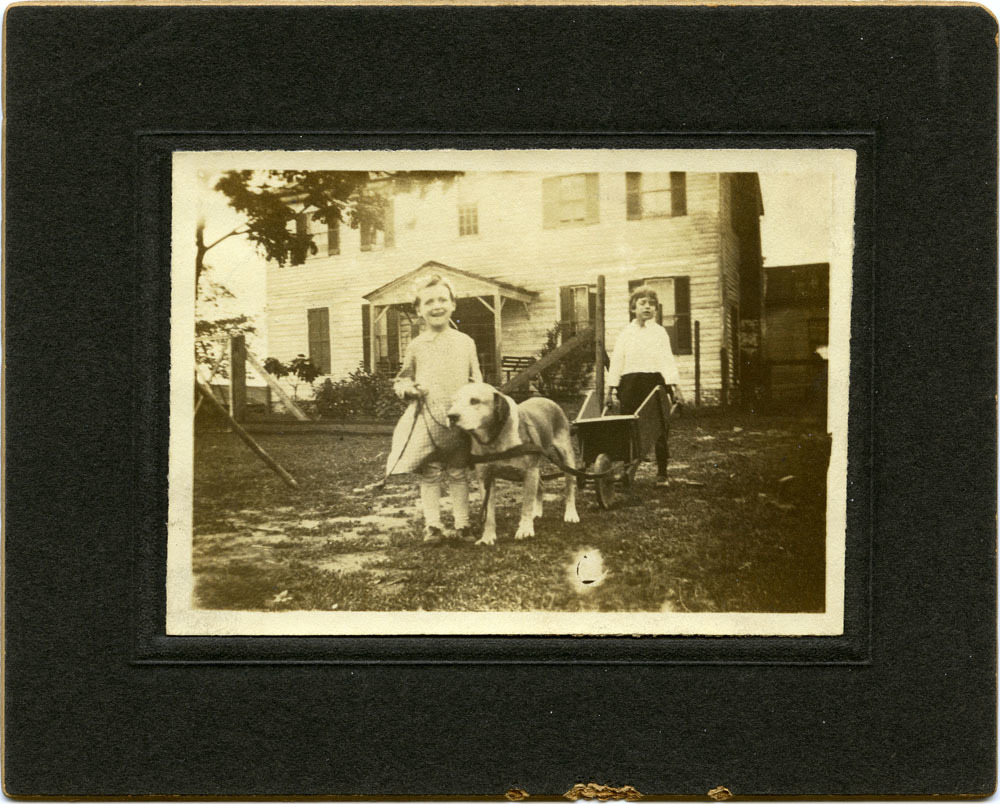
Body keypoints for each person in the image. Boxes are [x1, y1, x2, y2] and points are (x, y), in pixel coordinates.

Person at [385, 275, 483, 543]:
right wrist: (409, 389)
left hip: (458, 421)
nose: (436, 306)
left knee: (458, 471)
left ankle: (463, 524)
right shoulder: (416, 345)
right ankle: (433, 526)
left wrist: (476, 407)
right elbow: (402, 378)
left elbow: (477, 381)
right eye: (429, 301)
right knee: (429, 473)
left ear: (453, 305)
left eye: (443, 299)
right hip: (427, 420)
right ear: (419, 309)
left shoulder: (465, 342)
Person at [607, 284, 685, 487]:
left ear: (656, 310)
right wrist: (610, 390)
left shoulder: (659, 333)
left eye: (652, 304)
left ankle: (662, 474)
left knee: (659, 427)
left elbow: (667, 360)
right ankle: (626, 471)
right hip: (630, 385)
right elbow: (617, 362)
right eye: (642, 303)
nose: (647, 307)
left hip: (654, 383)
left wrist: (675, 388)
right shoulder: (625, 333)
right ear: (633, 308)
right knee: (628, 427)